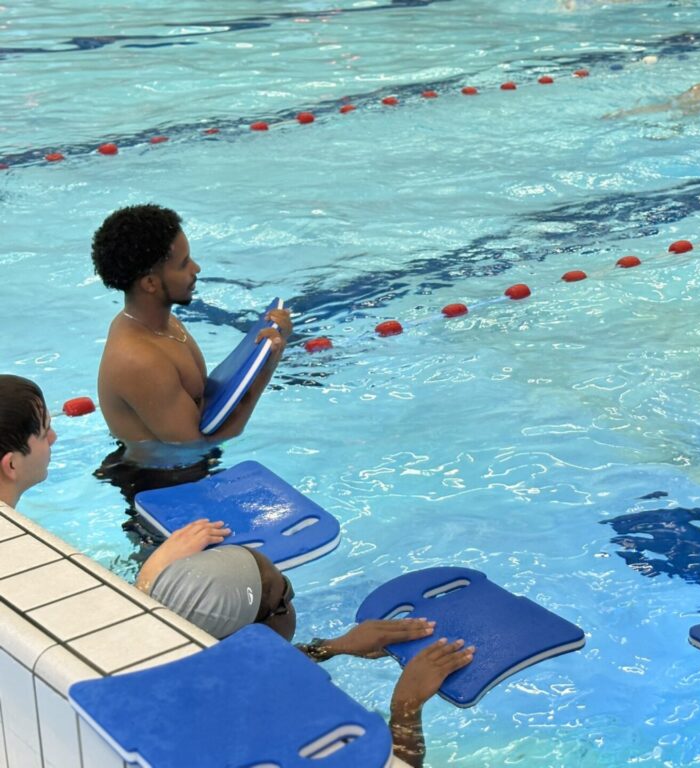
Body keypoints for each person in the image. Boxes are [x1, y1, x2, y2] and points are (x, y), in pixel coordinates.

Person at [0, 373, 473, 768]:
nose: (55, 437)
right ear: (11, 463)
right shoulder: (260, 731)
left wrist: (332, 649)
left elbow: (223, 674)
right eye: (278, 598)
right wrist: (407, 706)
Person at [92, 204, 292, 460]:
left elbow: (209, 399)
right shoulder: (139, 361)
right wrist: (268, 368)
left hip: (182, 468)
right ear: (150, 283)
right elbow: (196, 448)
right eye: (183, 264)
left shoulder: (165, 323)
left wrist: (263, 353)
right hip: (160, 485)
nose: (195, 268)